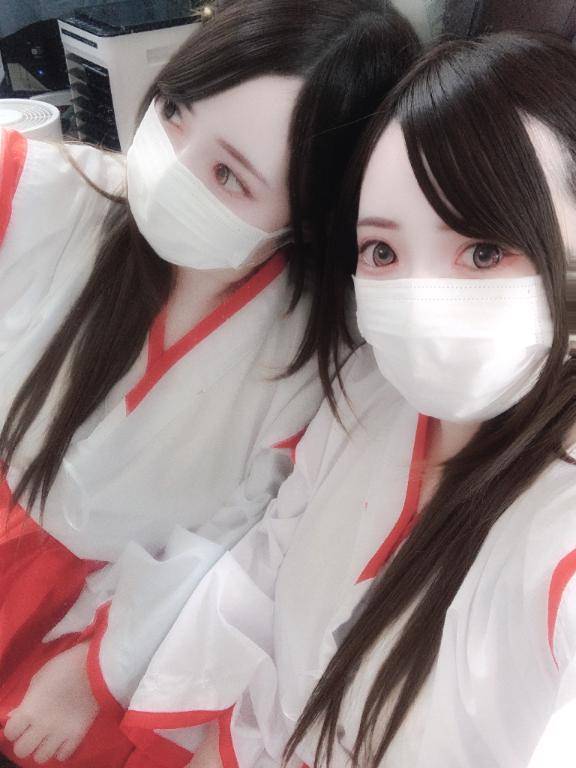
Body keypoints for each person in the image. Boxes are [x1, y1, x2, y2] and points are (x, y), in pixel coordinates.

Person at [122, 31, 576, 768]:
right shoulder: (369, 394)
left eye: (484, 250)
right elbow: (271, 561)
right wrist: (213, 738)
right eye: (384, 251)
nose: (423, 298)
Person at [0, 1, 420, 766]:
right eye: (174, 111)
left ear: (308, 216)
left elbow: (227, 541)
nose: (169, 165)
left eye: (229, 175)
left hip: (107, 607)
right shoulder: (44, 193)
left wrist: (93, 674)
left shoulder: (306, 358)